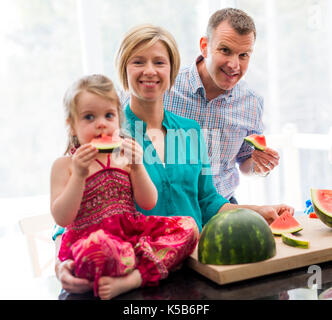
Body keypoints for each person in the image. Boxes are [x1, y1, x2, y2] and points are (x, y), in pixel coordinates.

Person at [54, 24, 294, 296]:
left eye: (159, 62)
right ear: (124, 69)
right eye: (138, 62)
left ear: (172, 71)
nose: (150, 71)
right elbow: (78, 207)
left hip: (193, 265)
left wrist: (254, 211)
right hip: (128, 272)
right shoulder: (107, 132)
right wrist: (61, 261)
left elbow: (207, 201)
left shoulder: (191, 131)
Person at [50, 74, 199, 299]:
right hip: (91, 245)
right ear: (71, 126)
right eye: (89, 117)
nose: (101, 123)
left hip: (130, 239)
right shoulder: (65, 166)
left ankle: (134, 278)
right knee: (98, 248)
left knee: (189, 228)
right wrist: (79, 175)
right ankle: (116, 270)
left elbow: (149, 201)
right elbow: (62, 219)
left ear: (118, 121)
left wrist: (138, 168)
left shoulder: (124, 158)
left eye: (109, 115)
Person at [121, 8, 280, 204]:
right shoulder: (161, 84)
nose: (234, 64)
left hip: (222, 206)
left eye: (243, 55)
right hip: (168, 206)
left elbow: (245, 161)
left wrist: (258, 165)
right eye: (225, 50)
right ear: (204, 46)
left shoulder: (252, 103)